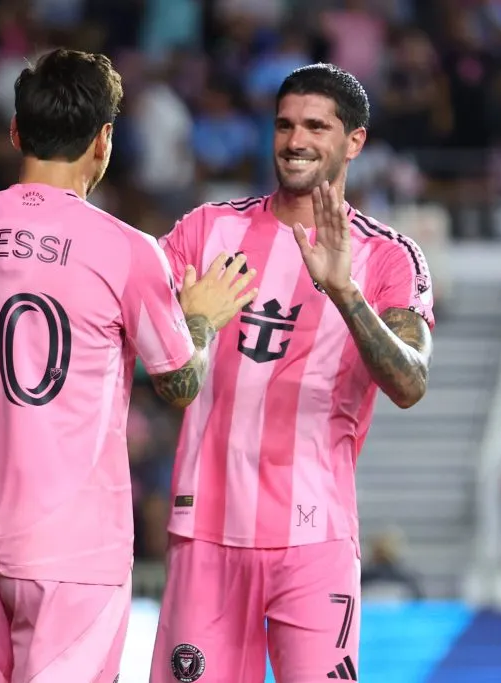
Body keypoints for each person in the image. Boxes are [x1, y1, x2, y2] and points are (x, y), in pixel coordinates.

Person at [0, 48, 258, 683]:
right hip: (75, 551)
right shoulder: (127, 251)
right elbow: (179, 381)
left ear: (15, 133)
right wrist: (199, 317)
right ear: (103, 141)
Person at [151, 64, 436, 683]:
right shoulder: (206, 230)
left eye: (315, 126)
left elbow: (411, 381)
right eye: (284, 125)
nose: (295, 140)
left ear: (354, 142)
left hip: (316, 540)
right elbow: (152, 354)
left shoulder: (388, 256)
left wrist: (344, 291)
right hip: (205, 533)